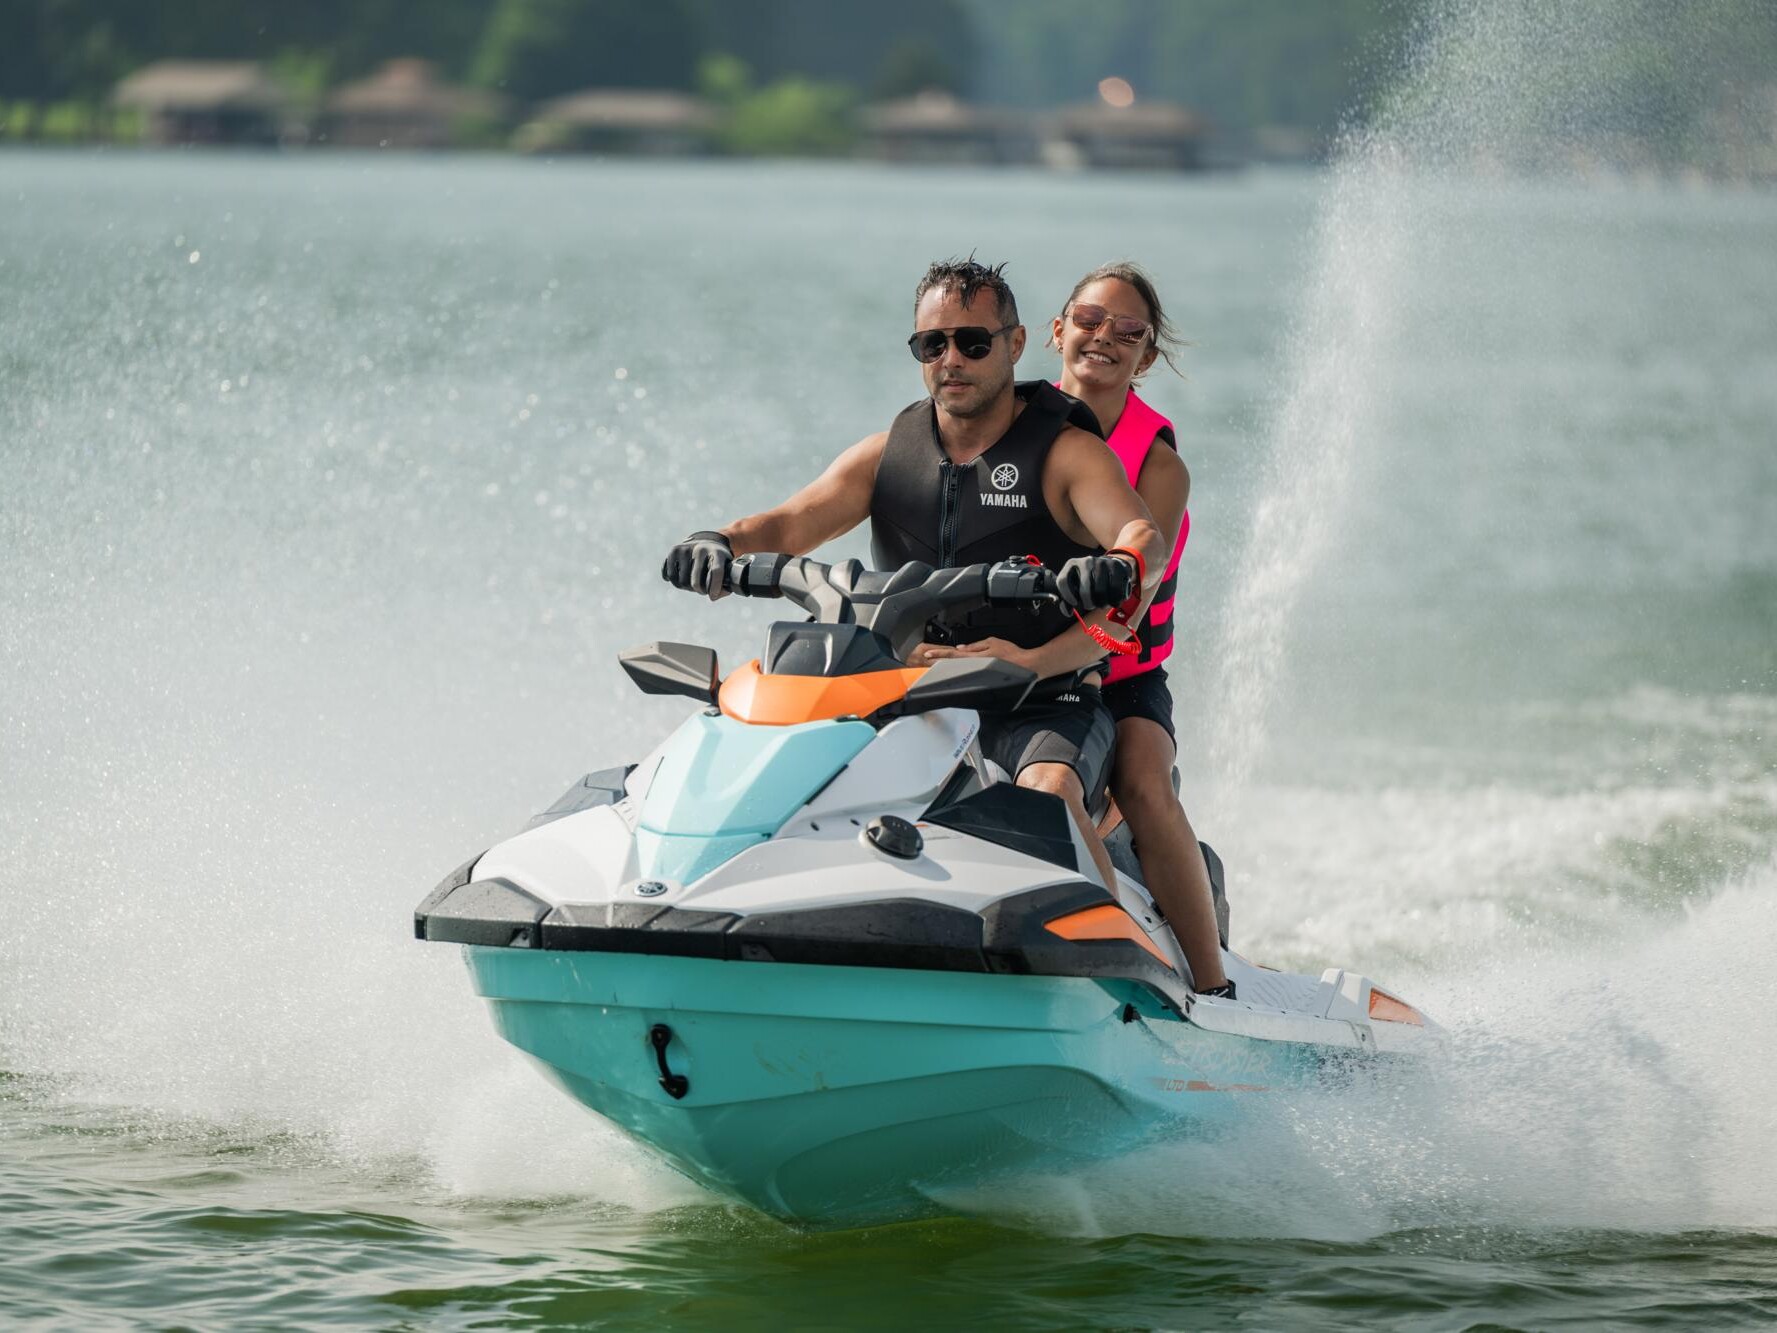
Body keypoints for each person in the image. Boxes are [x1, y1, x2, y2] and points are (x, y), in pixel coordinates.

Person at [663, 258, 1165, 902]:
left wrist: (1119, 563)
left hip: (1039, 699)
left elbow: (1141, 534)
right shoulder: (888, 456)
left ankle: (1113, 943)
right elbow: (788, 524)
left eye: (972, 342)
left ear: (1015, 344)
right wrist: (718, 542)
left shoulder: (1068, 454)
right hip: (902, 690)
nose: (951, 359)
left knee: (1051, 792)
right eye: (932, 344)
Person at [1049, 261, 1232, 998]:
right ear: (1057, 330)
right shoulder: (1012, 427)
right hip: (1023, 662)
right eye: (1089, 320)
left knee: (1144, 783)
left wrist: (1052, 658)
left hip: (1119, 671)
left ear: (1146, 357)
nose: (1104, 338)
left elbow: (1129, 606)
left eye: (1129, 332)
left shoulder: (1158, 466)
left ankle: (1210, 986)